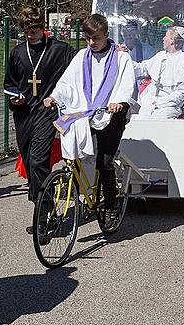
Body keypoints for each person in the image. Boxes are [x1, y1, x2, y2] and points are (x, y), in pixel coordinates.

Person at [44, 14, 137, 214]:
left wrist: (119, 102)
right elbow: (67, 82)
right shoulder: (81, 57)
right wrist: (54, 97)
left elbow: (127, 84)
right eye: (87, 38)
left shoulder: (121, 58)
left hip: (112, 115)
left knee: (104, 162)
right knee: (77, 155)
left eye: (96, 38)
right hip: (86, 114)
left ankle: (111, 207)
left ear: (106, 34)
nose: (92, 43)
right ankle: (84, 194)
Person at [3, 6, 74, 227]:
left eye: (34, 29)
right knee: (31, 163)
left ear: (42, 27)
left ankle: (42, 217)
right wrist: (14, 98)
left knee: (38, 161)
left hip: (48, 111)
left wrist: (112, 49)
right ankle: (47, 204)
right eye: (27, 30)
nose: (30, 34)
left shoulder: (59, 49)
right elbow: (10, 83)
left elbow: (84, 61)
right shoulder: (17, 53)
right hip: (24, 114)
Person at [135, 26, 184, 119]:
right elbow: (143, 68)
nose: (163, 38)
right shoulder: (160, 55)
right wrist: (125, 59)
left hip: (169, 106)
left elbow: (182, 92)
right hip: (150, 102)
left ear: (172, 41)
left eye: (166, 36)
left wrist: (161, 103)